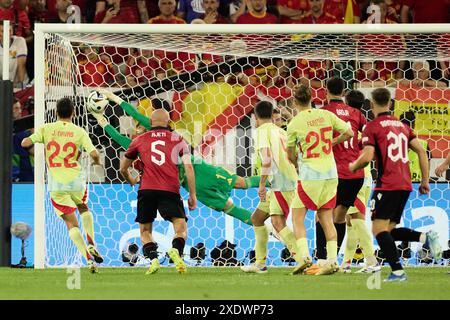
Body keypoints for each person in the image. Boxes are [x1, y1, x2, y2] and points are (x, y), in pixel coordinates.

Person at [93, 89, 260, 225]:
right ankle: (264, 220)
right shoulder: (155, 139)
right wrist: (113, 98)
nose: (139, 128)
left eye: (141, 126)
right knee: (232, 198)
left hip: (193, 175)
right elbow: (133, 121)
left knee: (236, 193)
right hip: (193, 176)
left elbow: (120, 134)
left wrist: (102, 119)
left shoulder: (148, 141)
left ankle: (270, 194)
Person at [349, 88, 442, 282]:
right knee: (388, 230)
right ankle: (426, 237)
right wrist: (425, 180)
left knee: (378, 229)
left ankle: (398, 271)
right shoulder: (403, 126)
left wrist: (353, 165)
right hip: (405, 184)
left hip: (387, 185)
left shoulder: (372, 126)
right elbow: (421, 152)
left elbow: (366, 157)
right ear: (390, 104)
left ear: (372, 104)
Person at [21, 98, 103, 273]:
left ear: (56, 112)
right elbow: (95, 153)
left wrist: (35, 152)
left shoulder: (47, 128)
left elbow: (25, 143)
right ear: (73, 112)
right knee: (83, 208)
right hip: (76, 179)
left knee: (71, 225)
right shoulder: (79, 131)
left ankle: (88, 260)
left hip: (56, 182)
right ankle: (92, 243)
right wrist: (96, 162)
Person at [287, 84, 354, 275]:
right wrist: (332, 142)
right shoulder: (326, 115)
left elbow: (290, 154)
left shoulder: (294, 123)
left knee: (297, 217)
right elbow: (349, 132)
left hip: (310, 175)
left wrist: (297, 165)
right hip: (331, 174)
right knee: (326, 218)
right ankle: (332, 260)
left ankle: (305, 257)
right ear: (312, 99)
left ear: (294, 101)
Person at [120, 109, 196, 275]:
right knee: (180, 229)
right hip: (170, 189)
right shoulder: (178, 139)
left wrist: (130, 179)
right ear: (169, 122)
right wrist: (192, 194)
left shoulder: (140, 139)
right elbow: (189, 167)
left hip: (146, 189)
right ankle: (175, 250)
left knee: (145, 231)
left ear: (151, 122)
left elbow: (122, 168)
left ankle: (153, 259)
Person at [240, 101, 309, 274]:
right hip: (286, 181)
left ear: (255, 118)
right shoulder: (280, 131)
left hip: (281, 183)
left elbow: (267, 159)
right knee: (257, 218)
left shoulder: (262, 132)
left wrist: (262, 184)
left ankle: (301, 258)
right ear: (272, 116)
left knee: (278, 222)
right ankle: (260, 263)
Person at [311, 77, 367, 272]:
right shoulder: (356, 113)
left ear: (326, 92)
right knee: (340, 216)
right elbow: (367, 137)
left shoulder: (323, 113)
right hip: (356, 173)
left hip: (333, 172)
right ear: (344, 92)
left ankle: (322, 259)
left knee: (322, 214)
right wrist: (359, 148)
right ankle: (333, 259)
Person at [340, 90, 379, 274]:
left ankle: (371, 260)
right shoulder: (364, 126)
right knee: (350, 220)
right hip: (365, 175)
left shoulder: (346, 126)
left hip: (353, 176)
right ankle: (347, 262)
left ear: (346, 103)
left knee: (356, 219)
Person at [399, 111, 432, 182]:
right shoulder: (423, 144)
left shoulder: (392, 144)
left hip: (398, 186)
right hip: (418, 185)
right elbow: (428, 168)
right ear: (414, 125)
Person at [0, 20, 27, 87]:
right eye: (3, 31)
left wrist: (21, 85)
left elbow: (21, 65)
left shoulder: (20, 41)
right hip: (2, 84)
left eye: (10, 30)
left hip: (18, 83)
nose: (8, 33)